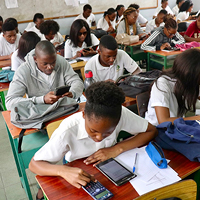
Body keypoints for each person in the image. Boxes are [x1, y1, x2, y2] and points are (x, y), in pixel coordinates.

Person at [29, 81, 157, 199]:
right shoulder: (67, 130)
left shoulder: (119, 114)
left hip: (107, 164)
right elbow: (34, 164)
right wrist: (63, 170)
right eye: (94, 131)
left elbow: (151, 130)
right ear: (84, 115)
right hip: (77, 167)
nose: (99, 138)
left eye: (108, 132)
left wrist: (116, 148)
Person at [5, 41, 84, 110]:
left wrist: (73, 93)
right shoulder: (23, 71)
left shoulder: (61, 62)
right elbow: (10, 102)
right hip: (38, 113)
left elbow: (77, 82)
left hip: (62, 109)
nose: (50, 67)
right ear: (35, 59)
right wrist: (42, 100)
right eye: (45, 64)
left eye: (53, 62)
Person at [145, 48, 200, 126]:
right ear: (190, 74)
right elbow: (164, 121)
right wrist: (196, 118)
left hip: (178, 126)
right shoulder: (163, 83)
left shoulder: (190, 81)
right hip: (159, 130)